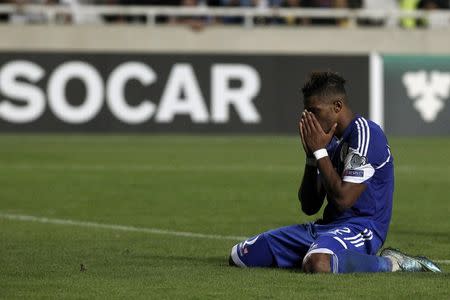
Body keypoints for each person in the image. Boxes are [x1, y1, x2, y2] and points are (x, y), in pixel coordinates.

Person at [229, 71, 442, 273]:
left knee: (319, 263)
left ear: (337, 106)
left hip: (362, 228)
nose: (308, 119)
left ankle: (392, 263)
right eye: (306, 112)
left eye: (314, 111)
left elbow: (343, 199)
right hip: (326, 228)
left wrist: (320, 151)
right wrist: (312, 158)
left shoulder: (366, 134)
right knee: (242, 255)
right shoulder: (328, 141)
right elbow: (310, 205)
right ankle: (326, 253)